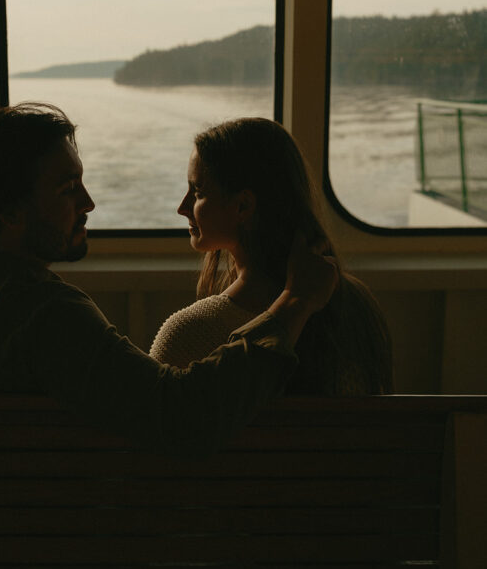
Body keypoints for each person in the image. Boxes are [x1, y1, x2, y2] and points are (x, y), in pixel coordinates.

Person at [0, 103, 338, 453]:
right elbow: (179, 415)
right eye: (67, 188)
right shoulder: (48, 315)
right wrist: (293, 304)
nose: (87, 202)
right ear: (10, 212)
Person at [150, 118, 393, 395]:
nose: (183, 207)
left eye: (198, 191)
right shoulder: (355, 306)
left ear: (243, 206)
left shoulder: (191, 334)